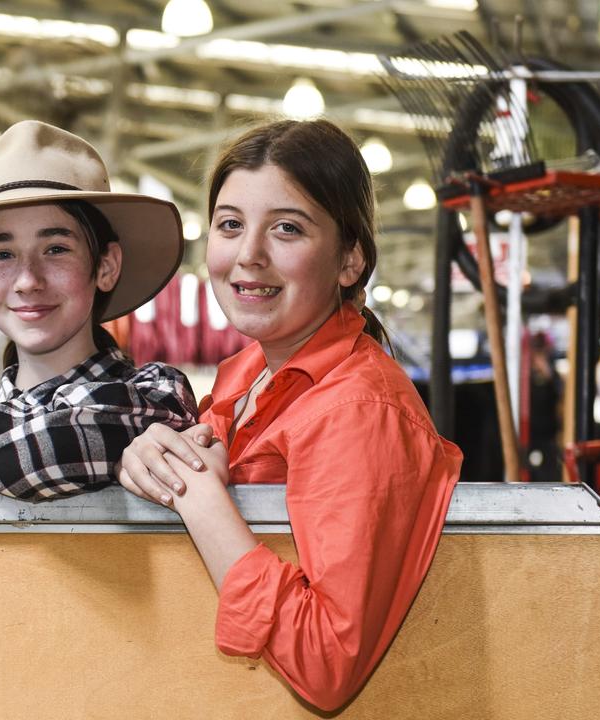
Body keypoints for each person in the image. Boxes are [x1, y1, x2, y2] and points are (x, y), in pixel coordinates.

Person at [117, 119, 462, 711]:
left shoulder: (358, 411)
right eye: (230, 225)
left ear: (349, 259)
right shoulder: (244, 374)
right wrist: (153, 457)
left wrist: (200, 499)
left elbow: (328, 662)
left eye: (286, 229)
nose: (248, 255)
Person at [0, 120, 197, 500]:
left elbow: (59, 447)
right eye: (2, 255)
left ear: (105, 266)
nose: (27, 280)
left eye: (56, 249)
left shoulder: (157, 394)